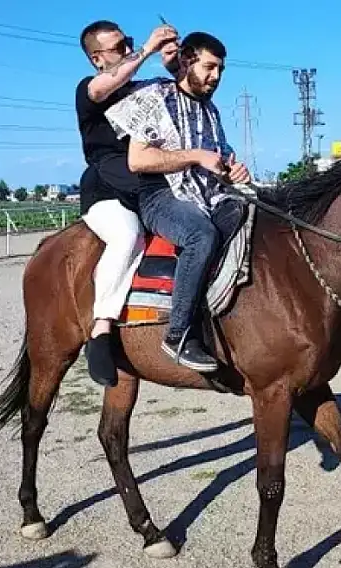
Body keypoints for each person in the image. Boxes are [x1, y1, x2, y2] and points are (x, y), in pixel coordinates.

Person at [104, 32, 251, 373]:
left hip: (208, 194)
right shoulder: (154, 98)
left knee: (251, 216)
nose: (216, 76)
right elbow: (138, 161)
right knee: (201, 235)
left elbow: (218, 161)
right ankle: (179, 333)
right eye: (209, 67)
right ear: (186, 61)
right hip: (161, 196)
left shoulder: (211, 110)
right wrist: (198, 156)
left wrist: (232, 170)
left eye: (221, 70)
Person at [74, 19, 180, 387]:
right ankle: (101, 329)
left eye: (130, 44)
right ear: (97, 59)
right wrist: (148, 49)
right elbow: (106, 86)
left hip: (151, 184)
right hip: (106, 189)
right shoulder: (89, 89)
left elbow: (183, 91)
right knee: (127, 236)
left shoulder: (142, 88)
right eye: (121, 47)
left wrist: (173, 64)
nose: (128, 49)